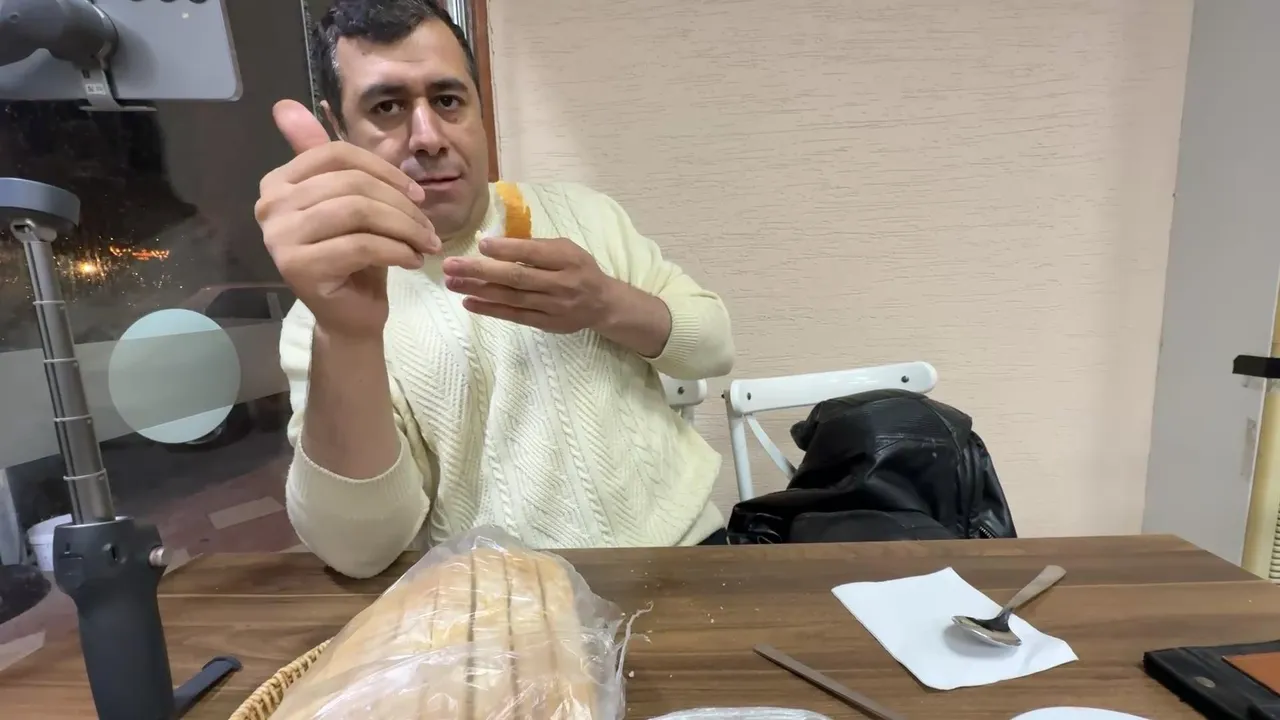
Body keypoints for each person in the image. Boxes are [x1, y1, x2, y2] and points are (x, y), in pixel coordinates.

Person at [255, 0, 735, 578]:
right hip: (500, 601)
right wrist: (349, 336)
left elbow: (714, 348)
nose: (428, 137)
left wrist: (606, 303)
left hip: (691, 553)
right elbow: (358, 551)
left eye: (447, 100)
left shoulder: (586, 214)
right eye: (387, 106)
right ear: (338, 128)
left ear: (479, 108)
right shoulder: (322, 316)